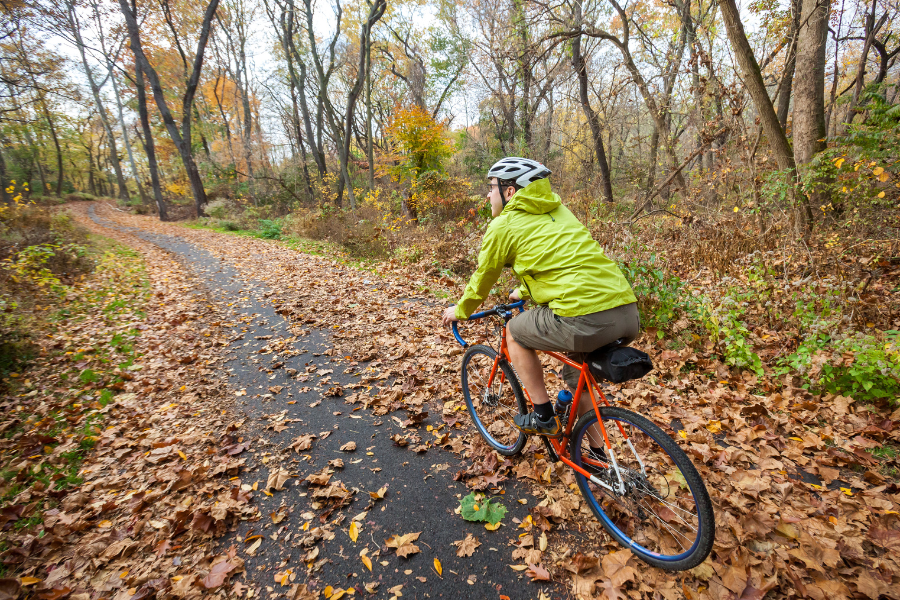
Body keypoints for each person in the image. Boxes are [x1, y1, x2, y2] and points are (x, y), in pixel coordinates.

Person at [441, 157, 640, 448]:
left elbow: (483, 277)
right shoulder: (559, 211)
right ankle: (599, 463)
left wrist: (460, 310)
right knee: (577, 377)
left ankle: (544, 416)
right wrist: (523, 290)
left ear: (510, 192)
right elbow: (563, 261)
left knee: (514, 332)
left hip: (585, 316)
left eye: (491, 187)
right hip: (626, 311)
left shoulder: (504, 225)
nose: (487, 194)